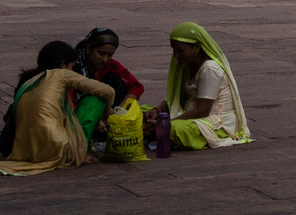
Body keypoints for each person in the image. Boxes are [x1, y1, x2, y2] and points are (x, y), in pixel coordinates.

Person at [0, 41, 117, 176]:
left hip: (28, 150)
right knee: (96, 99)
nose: (72, 71)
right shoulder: (60, 73)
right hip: (58, 148)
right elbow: (108, 91)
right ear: (63, 64)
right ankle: (80, 151)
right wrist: (107, 113)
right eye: (71, 67)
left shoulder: (28, 82)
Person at [163, 22, 250, 150]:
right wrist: (158, 110)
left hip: (215, 124)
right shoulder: (189, 64)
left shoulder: (210, 69)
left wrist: (167, 123)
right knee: (144, 111)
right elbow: (178, 97)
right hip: (191, 114)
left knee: (173, 129)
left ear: (197, 47)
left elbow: (202, 110)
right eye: (173, 50)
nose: (176, 55)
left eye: (181, 50)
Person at [71, 28, 144, 147]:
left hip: (106, 112)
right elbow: (71, 103)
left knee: (115, 80)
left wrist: (118, 112)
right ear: (88, 48)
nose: (105, 59)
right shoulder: (74, 67)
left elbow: (137, 87)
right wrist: (97, 119)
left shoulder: (110, 65)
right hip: (83, 114)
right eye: (101, 53)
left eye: (110, 55)